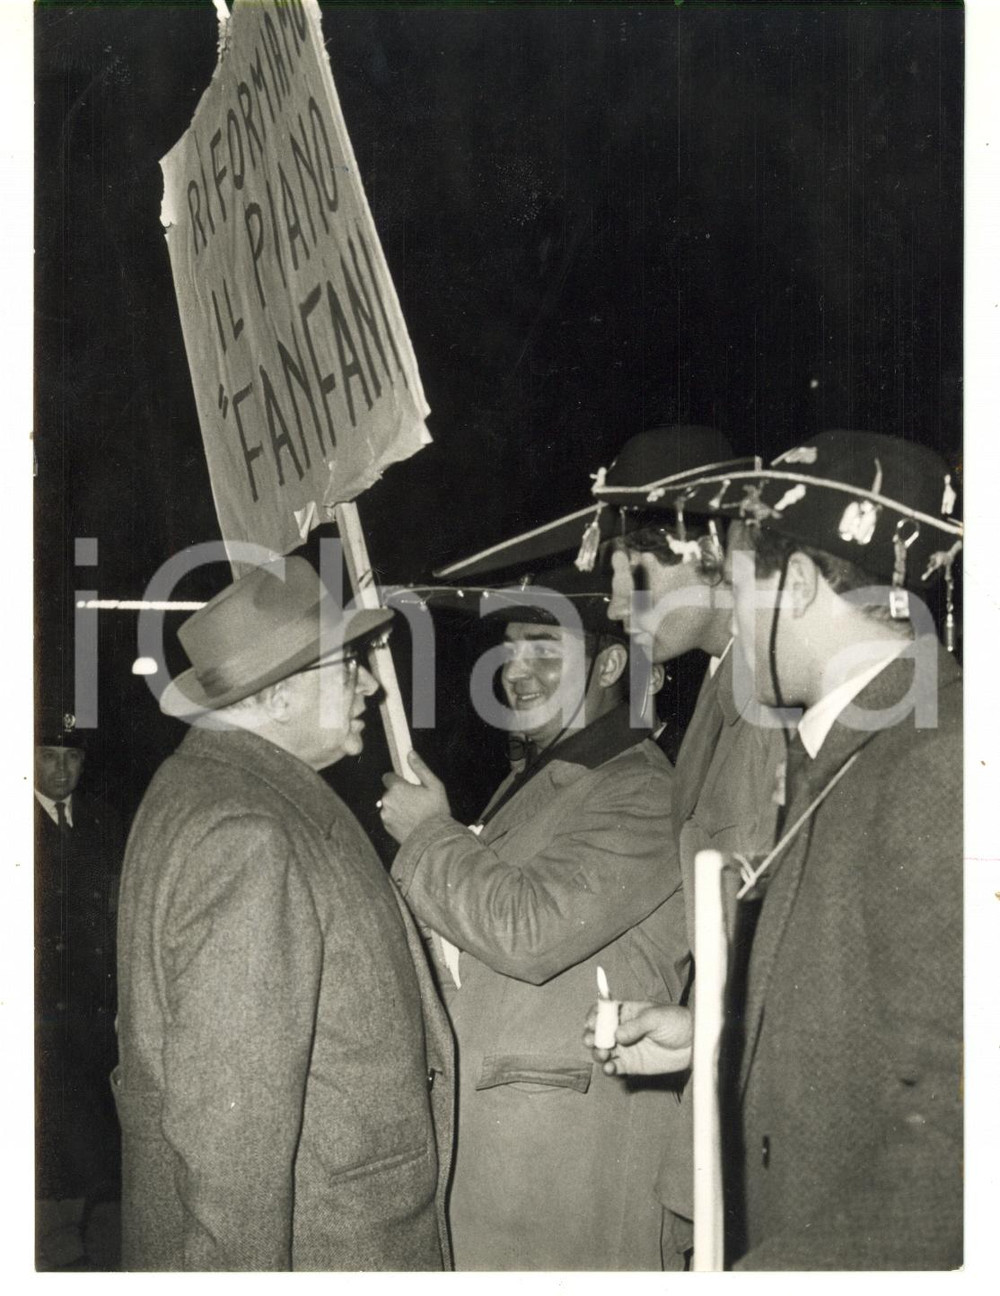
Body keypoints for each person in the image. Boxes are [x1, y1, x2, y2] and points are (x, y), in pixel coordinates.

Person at [591, 430, 963, 1270]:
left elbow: (965, 1132)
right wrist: (713, 1032)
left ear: (795, 586)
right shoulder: (858, 743)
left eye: (740, 577)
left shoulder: (940, 761)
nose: (730, 602)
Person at [113, 556, 453, 1272]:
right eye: (347, 666)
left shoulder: (211, 790)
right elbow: (232, 1147)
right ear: (274, 698)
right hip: (324, 1246)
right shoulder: (249, 834)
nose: (369, 684)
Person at [379, 564, 688, 1271]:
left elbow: (531, 930)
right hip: (512, 1153)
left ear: (610, 662)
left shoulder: (639, 788)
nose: (516, 670)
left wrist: (431, 835)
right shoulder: (542, 779)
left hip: (568, 1162)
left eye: (544, 650)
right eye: (509, 650)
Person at [35, 706, 125, 1269]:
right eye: (48, 756)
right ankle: (51, 1240)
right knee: (47, 1125)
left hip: (93, 1006)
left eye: (72, 757)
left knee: (92, 1124)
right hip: (36, 1009)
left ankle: (82, 1240)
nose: (62, 769)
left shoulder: (100, 822)